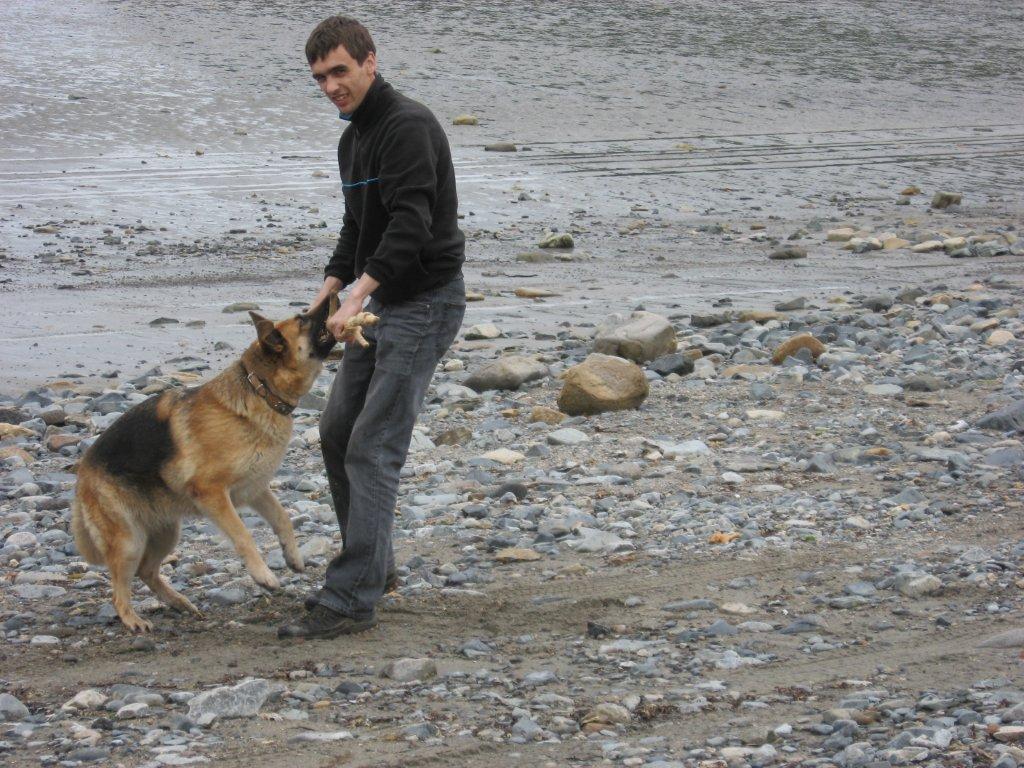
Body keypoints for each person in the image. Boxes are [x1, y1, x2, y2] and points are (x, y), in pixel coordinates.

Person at [278, 16, 466, 639]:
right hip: (377, 302)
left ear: (369, 62)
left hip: (425, 302)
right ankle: (372, 567)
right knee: (337, 432)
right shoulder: (352, 139)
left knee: (374, 444)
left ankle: (352, 598)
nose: (331, 86)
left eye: (339, 71)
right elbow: (358, 227)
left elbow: (412, 224)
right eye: (319, 78)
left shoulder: (407, 126)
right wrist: (329, 291)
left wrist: (360, 290)